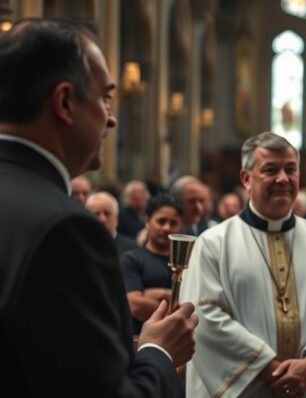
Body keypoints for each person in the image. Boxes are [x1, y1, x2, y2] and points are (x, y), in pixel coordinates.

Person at [0, 18, 196, 396]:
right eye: (106, 97)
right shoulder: (67, 230)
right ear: (64, 103)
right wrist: (159, 352)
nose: (112, 117)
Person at [180, 132, 306, 398]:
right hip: (247, 388)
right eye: (270, 170)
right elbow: (204, 316)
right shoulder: (213, 245)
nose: (283, 179)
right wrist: (267, 367)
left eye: (291, 169)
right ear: (246, 178)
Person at [121, 194, 183, 334]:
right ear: (147, 221)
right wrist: (175, 299)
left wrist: (151, 294)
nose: (167, 228)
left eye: (173, 223)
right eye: (161, 221)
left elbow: (196, 303)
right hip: (142, 339)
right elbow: (135, 305)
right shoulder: (131, 259)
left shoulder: (187, 262)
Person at [85, 191, 138, 256]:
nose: (102, 219)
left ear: (116, 218)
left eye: (107, 214)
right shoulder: (80, 247)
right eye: (96, 214)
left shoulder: (132, 249)